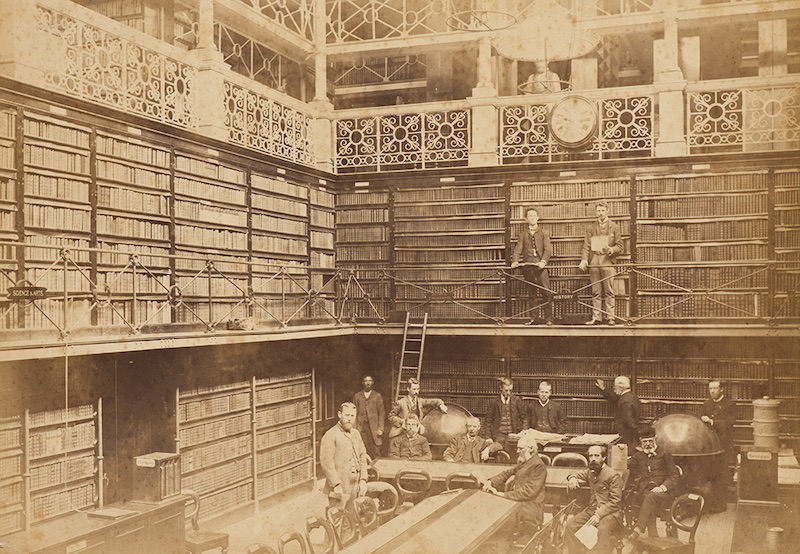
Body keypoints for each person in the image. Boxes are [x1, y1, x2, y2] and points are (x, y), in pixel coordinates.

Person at [482, 432, 548, 531]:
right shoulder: (526, 462)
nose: (517, 451)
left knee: (495, 516)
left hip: (530, 509)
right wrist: (490, 482)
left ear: (531, 449)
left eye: (520, 448)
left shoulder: (538, 466)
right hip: (519, 503)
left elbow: (528, 492)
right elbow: (507, 473)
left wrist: (503, 495)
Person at [564, 445, 624, 554]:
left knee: (602, 529)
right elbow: (574, 473)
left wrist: (598, 515)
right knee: (570, 525)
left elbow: (615, 501)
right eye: (591, 456)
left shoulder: (613, 475)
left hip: (610, 514)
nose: (593, 459)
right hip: (592, 510)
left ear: (604, 457)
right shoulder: (590, 472)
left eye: (597, 455)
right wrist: (572, 478)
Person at [626, 427, 680, 539]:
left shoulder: (665, 454)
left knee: (650, 498)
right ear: (641, 441)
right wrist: (620, 451)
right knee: (647, 499)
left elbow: (674, 476)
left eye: (650, 441)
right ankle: (653, 537)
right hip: (644, 493)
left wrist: (662, 487)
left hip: (664, 494)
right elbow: (625, 463)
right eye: (645, 441)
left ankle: (638, 529)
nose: (648, 444)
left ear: (656, 439)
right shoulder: (638, 456)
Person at [579, 201, 624, 326]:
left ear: (607, 211)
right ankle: (596, 317)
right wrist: (584, 259)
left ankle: (611, 317)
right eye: (598, 211)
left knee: (609, 291)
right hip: (594, 260)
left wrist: (611, 250)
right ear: (595, 212)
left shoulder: (615, 227)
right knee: (596, 291)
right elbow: (586, 246)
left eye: (603, 210)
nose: (601, 213)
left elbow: (620, 247)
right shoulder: (591, 228)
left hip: (607, 260)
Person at [319, 402, 369, 511]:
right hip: (339, 487)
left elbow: (363, 457)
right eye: (347, 415)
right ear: (339, 414)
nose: (350, 419)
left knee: (354, 516)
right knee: (337, 517)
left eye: (352, 416)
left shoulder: (356, 433)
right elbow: (327, 463)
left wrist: (363, 479)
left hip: (356, 486)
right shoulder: (331, 434)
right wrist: (336, 484)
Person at [511, 206, 554, 325]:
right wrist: (515, 261)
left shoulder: (544, 233)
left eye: (534, 215)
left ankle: (549, 319)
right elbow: (518, 250)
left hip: (541, 267)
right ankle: (534, 319)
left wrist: (543, 262)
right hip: (528, 267)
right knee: (532, 294)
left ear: (538, 218)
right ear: (526, 219)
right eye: (529, 216)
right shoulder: (523, 235)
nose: (532, 218)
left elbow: (548, 250)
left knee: (546, 293)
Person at [700, 379, 736, 513]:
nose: (712, 391)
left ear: (721, 390)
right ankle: (709, 503)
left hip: (723, 445)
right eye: (710, 388)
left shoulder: (729, 404)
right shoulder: (706, 404)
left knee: (721, 475)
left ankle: (720, 505)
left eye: (715, 388)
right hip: (709, 446)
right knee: (710, 474)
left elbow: (729, 422)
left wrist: (712, 421)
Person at [595, 376, 640, 451]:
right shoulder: (629, 396)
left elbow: (629, 420)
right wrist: (603, 389)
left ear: (620, 388)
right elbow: (615, 398)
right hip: (628, 435)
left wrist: (636, 434)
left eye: (615, 388)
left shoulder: (625, 401)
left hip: (627, 436)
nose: (614, 390)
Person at [484, 377, 526, 454]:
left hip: (513, 435)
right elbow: (488, 421)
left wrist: (523, 431)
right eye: (506, 390)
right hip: (498, 435)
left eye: (510, 390)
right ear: (501, 388)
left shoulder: (517, 400)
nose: (508, 393)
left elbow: (524, 418)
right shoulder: (494, 402)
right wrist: (488, 437)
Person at [353, 374, 385, 460]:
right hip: (361, 427)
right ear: (362, 382)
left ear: (372, 382)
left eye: (370, 381)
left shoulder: (377, 396)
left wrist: (380, 428)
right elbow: (354, 413)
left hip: (374, 427)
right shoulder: (357, 396)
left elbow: (381, 413)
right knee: (361, 448)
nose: (368, 383)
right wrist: (354, 428)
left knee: (375, 450)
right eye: (366, 381)